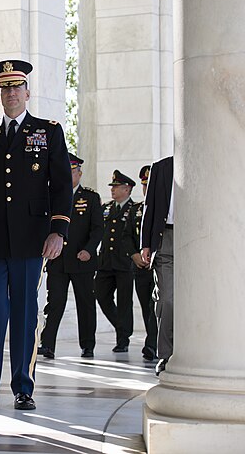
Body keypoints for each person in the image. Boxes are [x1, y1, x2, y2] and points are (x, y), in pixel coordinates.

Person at [0, 60, 72, 412]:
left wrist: (58, 231)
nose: (10, 94)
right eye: (4, 88)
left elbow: (62, 186)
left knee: (25, 312)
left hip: (31, 239)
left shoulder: (48, 132)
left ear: (27, 92)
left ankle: (23, 386)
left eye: (16, 87)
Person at [38, 153, 103, 359]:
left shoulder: (90, 198)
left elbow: (98, 229)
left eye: (72, 171)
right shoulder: (51, 196)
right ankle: (47, 344)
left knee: (85, 303)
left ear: (79, 173)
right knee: (54, 302)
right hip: (57, 259)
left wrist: (89, 250)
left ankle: (88, 344)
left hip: (81, 259)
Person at [96, 170, 137, 353]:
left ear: (127, 189)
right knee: (101, 295)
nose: (113, 190)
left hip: (124, 262)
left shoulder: (134, 210)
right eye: (112, 187)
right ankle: (121, 327)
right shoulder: (106, 208)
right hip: (106, 262)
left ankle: (123, 338)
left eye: (117, 187)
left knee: (124, 301)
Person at [140, 156, 174, 376]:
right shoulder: (161, 168)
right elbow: (149, 207)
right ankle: (166, 354)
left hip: (199, 241)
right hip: (166, 239)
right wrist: (146, 244)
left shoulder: (205, 161)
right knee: (167, 299)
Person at [129, 165, 158, 362]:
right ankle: (152, 341)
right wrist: (134, 255)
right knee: (146, 308)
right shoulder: (136, 209)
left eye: (149, 185)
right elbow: (127, 237)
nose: (146, 189)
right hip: (140, 268)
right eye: (144, 185)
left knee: (155, 305)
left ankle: (152, 344)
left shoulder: (162, 208)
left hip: (157, 267)